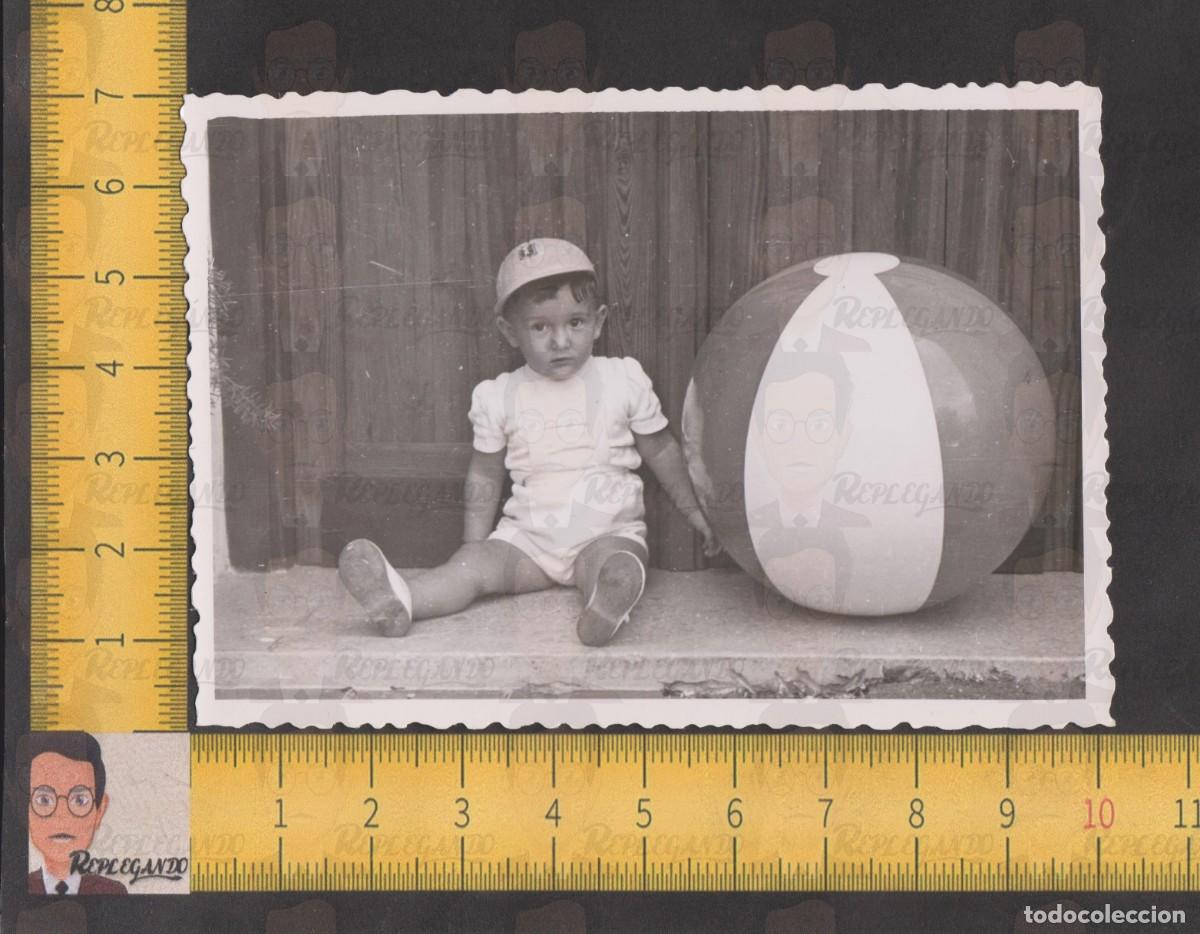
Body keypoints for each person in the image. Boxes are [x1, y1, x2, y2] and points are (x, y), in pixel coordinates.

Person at [339, 238, 719, 646]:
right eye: (540, 327)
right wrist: (475, 546)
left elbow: (661, 450)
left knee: (615, 562)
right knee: (469, 569)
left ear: (599, 321)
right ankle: (402, 601)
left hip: (606, 531)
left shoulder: (622, 380)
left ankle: (605, 603)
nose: (560, 341)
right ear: (510, 331)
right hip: (528, 544)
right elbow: (484, 473)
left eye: (575, 322)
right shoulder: (500, 395)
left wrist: (695, 512)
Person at [24, 732, 127, 895]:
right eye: (44, 800)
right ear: (25, 809)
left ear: (99, 811)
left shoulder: (113, 892)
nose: (62, 815)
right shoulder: (16, 889)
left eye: (79, 800)